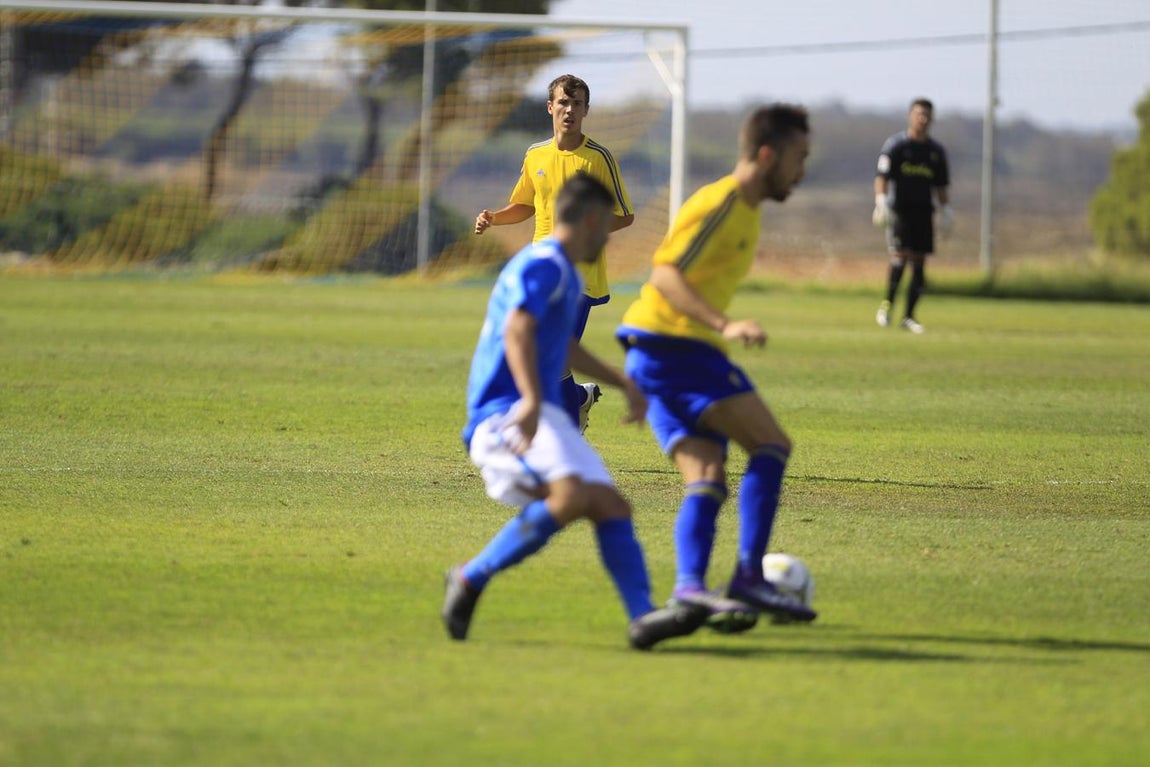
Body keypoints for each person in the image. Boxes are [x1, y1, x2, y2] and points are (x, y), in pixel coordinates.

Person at [443, 174, 708, 651]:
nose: (608, 238)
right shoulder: (545, 263)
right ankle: (470, 576)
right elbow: (518, 329)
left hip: (542, 413)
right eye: (606, 227)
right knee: (570, 497)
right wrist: (527, 399)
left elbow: (559, 345)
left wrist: (621, 381)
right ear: (589, 220)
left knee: (610, 505)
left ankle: (642, 617)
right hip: (506, 413)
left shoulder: (564, 271)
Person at [615, 104, 819, 633]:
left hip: (654, 352)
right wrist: (723, 324)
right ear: (767, 154)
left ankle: (689, 589)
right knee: (772, 445)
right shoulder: (724, 202)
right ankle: (749, 576)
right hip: (675, 347)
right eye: (798, 158)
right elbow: (663, 274)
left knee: (707, 476)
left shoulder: (748, 209)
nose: (802, 171)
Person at [474, 74, 634, 433]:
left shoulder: (598, 158)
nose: (570, 110)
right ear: (550, 107)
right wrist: (494, 218)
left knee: (554, 353)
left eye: (577, 104)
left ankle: (562, 423)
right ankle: (576, 402)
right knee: (545, 353)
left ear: (586, 110)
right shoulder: (536, 155)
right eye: (563, 102)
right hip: (542, 271)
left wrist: (583, 234)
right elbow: (524, 204)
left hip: (580, 273)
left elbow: (624, 215)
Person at [872, 98, 952, 334]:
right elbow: (882, 176)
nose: (923, 119)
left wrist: (946, 209)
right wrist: (881, 199)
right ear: (910, 116)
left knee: (919, 263)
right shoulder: (896, 146)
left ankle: (909, 316)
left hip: (924, 212)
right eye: (919, 114)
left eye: (927, 115)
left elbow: (941, 185)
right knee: (900, 257)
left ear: (932, 119)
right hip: (900, 211)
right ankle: (886, 307)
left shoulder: (935, 152)